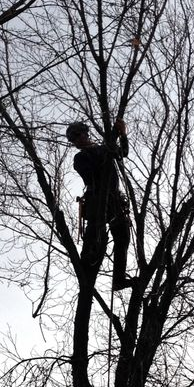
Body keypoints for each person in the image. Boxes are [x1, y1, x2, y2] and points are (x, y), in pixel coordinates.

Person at [65, 117, 133, 290]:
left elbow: (123, 152)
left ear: (86, 134)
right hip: (96, 199)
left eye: (78, 135)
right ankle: (86, 262)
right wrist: (107, 150)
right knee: (95, 235)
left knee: (123, 235)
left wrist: (122, 135)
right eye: (73, 139)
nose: (77, 140)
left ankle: (118, 279)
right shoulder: (80, 158)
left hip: (115, 200)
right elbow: (92, 173)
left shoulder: (104, 149)